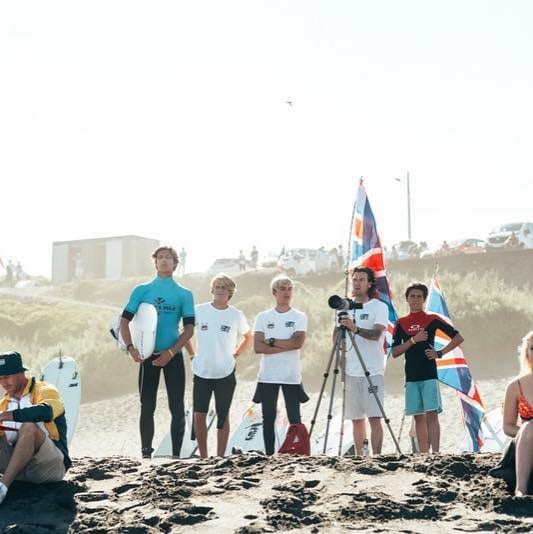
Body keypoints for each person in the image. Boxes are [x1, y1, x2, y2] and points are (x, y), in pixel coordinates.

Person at [119, 246, 195, 459]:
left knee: (177, 405)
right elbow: (124, 321)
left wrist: (171, 352)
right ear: (155, 262)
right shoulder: (142, 290)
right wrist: (131, 347)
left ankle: (177, 454)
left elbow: (189, 329)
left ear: (175, 263)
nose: (164, 261)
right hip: (147, 355)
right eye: (160, 258)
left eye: (168, 258)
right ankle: (146, 453)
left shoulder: (184, 294)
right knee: (147, 405)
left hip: (173, 355)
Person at [391, 282, 464, 453]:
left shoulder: (432, 319)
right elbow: (395, 352)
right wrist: (413, 340)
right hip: (411, 376)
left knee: (432, 414)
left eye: (419, 296)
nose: (415, 299)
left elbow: (458, 337)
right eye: (412, 296)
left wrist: (440, 353)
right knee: (418, 417)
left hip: (429, 373)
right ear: (407, 299)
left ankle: (436, 453)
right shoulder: (401, 323)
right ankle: (424, 455)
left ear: (423, 299)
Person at [189, 274, 252, 457]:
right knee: (199, 415)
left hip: (225, 371)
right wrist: (192, 354)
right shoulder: (198, 310)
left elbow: (249, 337)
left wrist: (236, 354)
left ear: (230, 291)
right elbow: (186, 332)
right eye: (217, 286)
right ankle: (203, 457)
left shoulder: (236, 314)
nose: (220, 289)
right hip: (202, 370)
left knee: (222, 415)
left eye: (224, 287)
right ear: (212, 289)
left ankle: (220, 456)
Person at [0, 351, 71, 505]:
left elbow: (48, 411)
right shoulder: (3, 404)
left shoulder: (44, 389)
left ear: (21, 373)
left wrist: (9, 415)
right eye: (0, 378)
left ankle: (2, 488)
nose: (3, 383)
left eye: (7, 376)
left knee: (29, 427)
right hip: (18, 473)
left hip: (48, 468)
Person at [334, 267, 389, 455]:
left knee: (374, 417)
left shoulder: (379, 306)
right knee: (356, 418)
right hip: (350, 370)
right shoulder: (344, 307)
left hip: (372, 369)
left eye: (361, 279)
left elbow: (375, 334)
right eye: (354, 279)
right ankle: (359, 456)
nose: (356, 283)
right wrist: (340, 330)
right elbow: (336, 338)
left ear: (369, 283)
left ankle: (377, 456)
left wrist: (354, 328)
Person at [253, 275, 307, 455]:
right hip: (268, 375)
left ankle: (297, 453)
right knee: (268, 418)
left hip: (291, 375)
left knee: (294, 417)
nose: (286, 292)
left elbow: (297, 344)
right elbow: (257, 347)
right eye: (282, 289)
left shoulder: (299, 316)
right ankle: (269, 454)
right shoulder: (263, 316)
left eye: (289, 289)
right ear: (274, 292)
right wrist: (286, 345)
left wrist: (272, 341)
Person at [502, 330, 533, 496]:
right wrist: (527, 431)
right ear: (526, 353)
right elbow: (507, 427)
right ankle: (521, 489)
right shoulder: (515, 386)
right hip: (526, 443)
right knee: (529, 426)